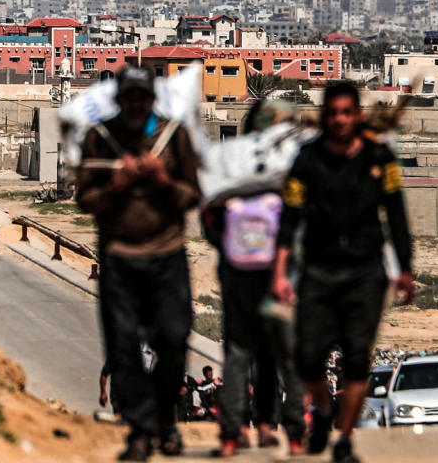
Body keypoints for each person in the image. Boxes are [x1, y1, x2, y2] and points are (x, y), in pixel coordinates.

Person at [272, 81, 415, 463]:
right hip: (318, 270)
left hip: (366, 272)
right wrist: (280, 271)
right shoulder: (306, 159)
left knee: (356, 358)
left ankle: (345, 440)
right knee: (307, 357)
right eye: (332, 113)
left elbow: (396, 214)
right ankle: (321, 411)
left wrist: (405, 268)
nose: (338, 120)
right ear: (324, 117)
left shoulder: (380, 158)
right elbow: (290, 217)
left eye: (346, 113)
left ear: (358, 116)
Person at [76, 65, 201, 461]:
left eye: (141, 97)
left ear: (151, 99)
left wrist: (163, 180)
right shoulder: (101, 138)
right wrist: (115, 186)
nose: (135, 104)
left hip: (167, 256)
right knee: (124, 347)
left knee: (174, 338)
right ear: (119, 99)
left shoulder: (172, 136)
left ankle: (165, 417)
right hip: (120, 258)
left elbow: (192, 195)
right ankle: (140, 431)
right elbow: (85, 198)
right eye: (128, 97)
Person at [202, 99, 306, 456]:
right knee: (282, 353)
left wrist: (230, 251)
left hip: (237, 273)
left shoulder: (228, 162)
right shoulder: (291, 162)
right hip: (282, 273)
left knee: (238, 351)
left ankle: (232, 432)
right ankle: (286, 430)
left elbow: (209, 218)